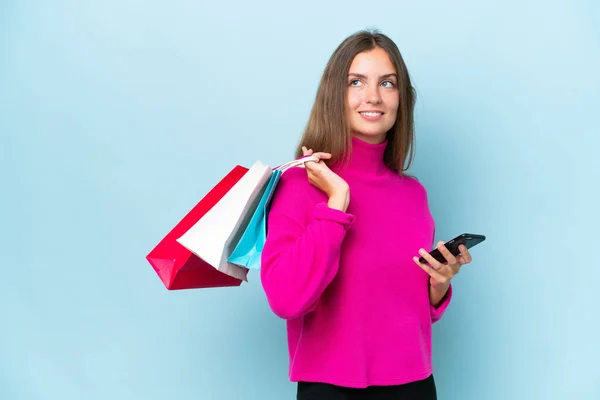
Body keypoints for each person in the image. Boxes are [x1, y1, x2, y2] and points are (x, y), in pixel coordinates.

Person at [260, 29, 473, 400]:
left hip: (415, 386)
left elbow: (398, 303)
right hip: (331, 389)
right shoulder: (300, 183)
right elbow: (285, 300)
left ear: (401, 99)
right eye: (356, 82)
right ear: (334, 95)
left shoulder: (413, 194)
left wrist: (437, 288)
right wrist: (336, 203)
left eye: (387, 83)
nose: (372, 96)